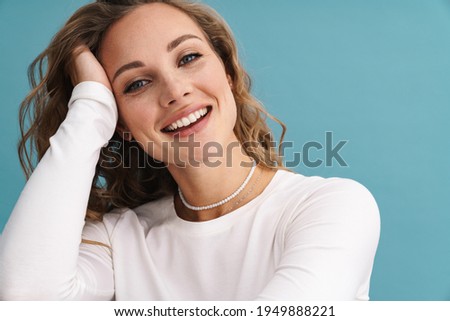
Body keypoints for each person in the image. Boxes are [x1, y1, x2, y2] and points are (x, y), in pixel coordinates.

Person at [0, 0, 380, 300]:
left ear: (228, 73)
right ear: (121, 125)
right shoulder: (120, 241)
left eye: (188, 58)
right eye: (137, 84)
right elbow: (25, 300)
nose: (176, 90)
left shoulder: (331, 207)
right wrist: (91, 109)